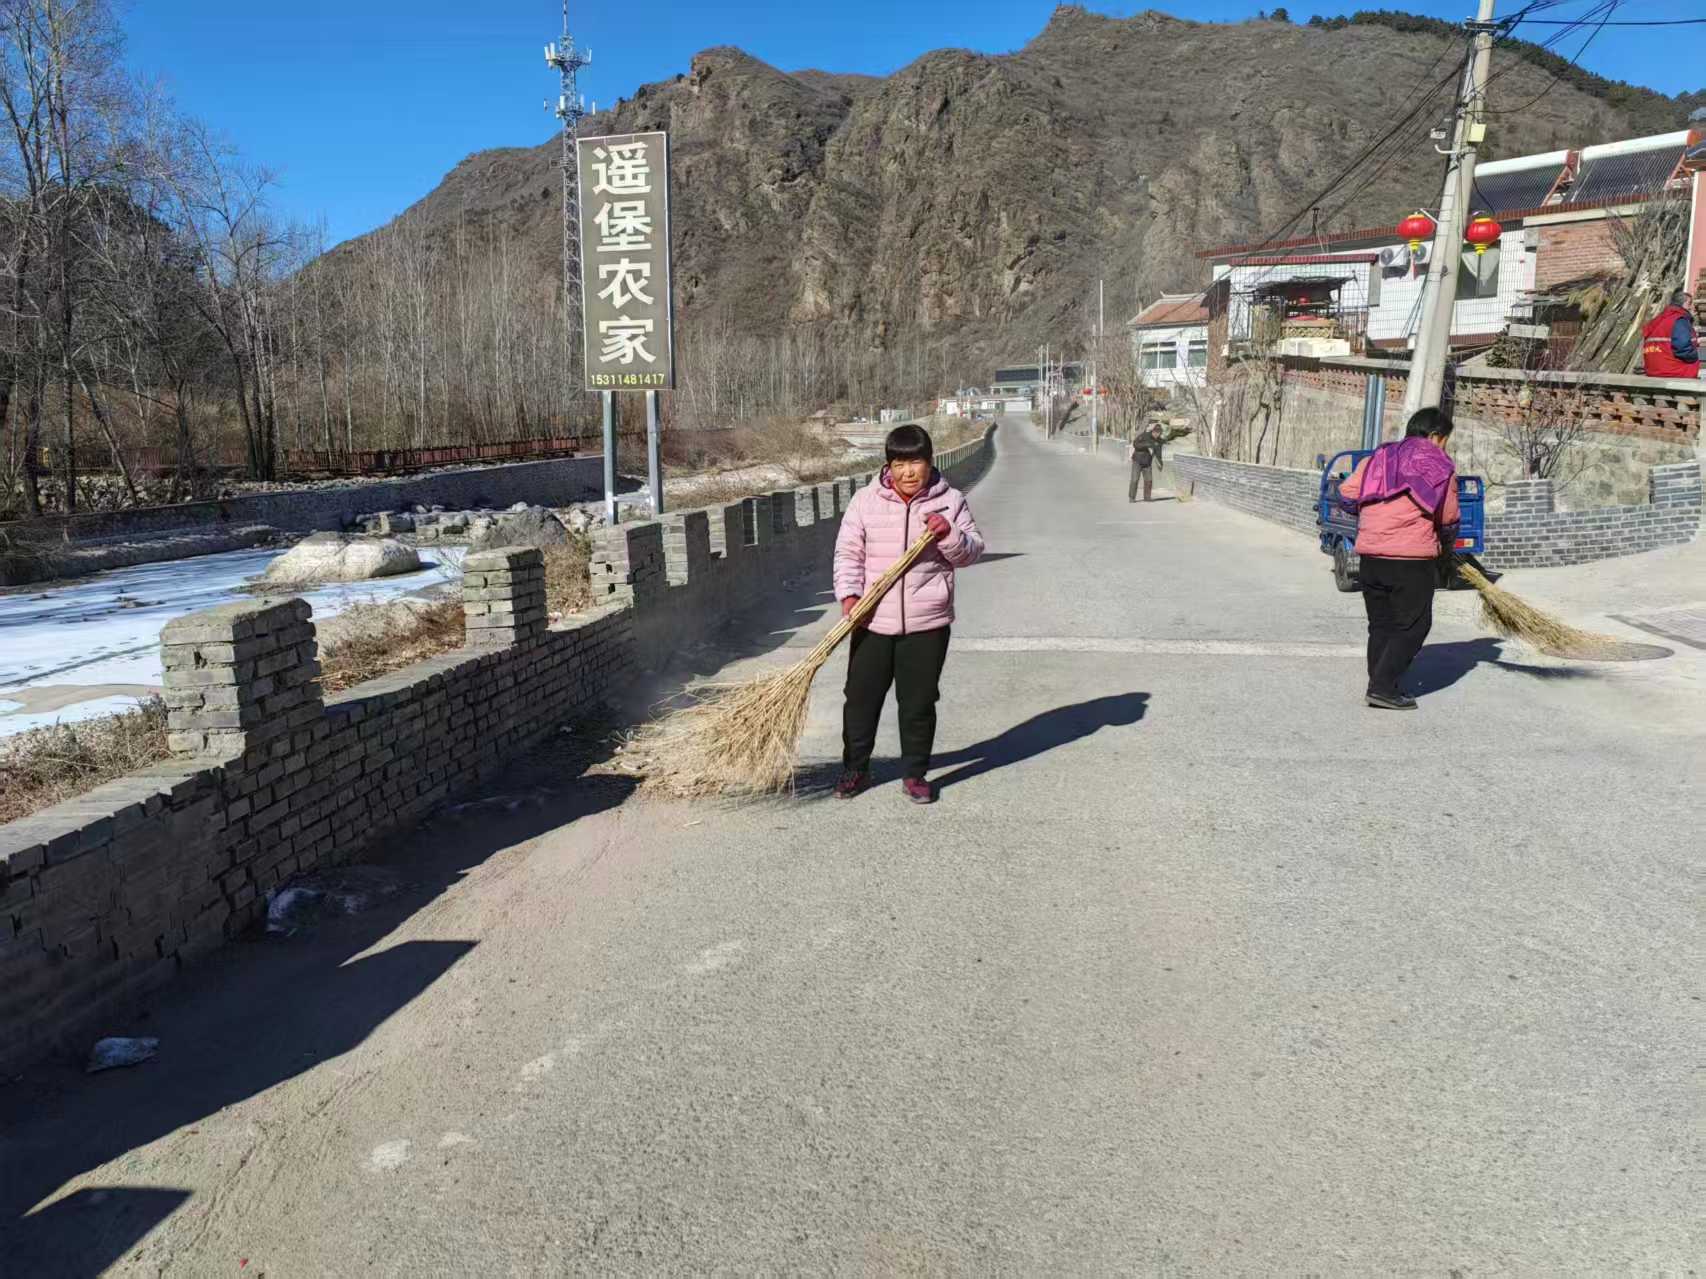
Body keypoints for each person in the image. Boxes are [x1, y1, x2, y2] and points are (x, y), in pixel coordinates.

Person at [832, 423, 985, 803]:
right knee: (860, 700)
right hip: (872, 620)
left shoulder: (951, 501)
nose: (907, 472)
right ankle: (855, 769)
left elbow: (971, 552)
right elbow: (848, 552)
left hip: (927, 623)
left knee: (918, 703)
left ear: (929, 462)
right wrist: (850, 596)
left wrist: (948, 534)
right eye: (899, 464)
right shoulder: (865, 501)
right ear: (888, 466)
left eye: (915, 462)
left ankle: (915, 774)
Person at [1337, 407, 1460, 711]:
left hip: (1370, 556)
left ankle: (1380, 682)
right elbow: (1448, 517)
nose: (1444, 447)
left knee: (1381, 623)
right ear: (1435, 436)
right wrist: (1446, 546)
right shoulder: (1438, 463)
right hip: (1410, 560)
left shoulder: (1377, 458)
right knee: (1414, 625)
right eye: (1445, 440)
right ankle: (1382, 687)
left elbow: (1346, 494)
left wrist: (1370, 515)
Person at [1640, 290, 1700, 380]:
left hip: (1654, 370)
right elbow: (1683, 348)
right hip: (1675, 372)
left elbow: (1665, 342)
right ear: (1684, 304)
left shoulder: (1659, 320)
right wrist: (1695, 357)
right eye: (1690, 304)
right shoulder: (1679, 320)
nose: (1692, 307)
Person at [1128, 423, 1164, 502]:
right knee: (1134, 479)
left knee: (1149, 480)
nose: (1156, 434)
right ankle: (1132, 497)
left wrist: (1160, 464)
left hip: (1147, 462)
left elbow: (1158, 454)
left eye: (1158, 433)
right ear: (1152, 431)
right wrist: (1146, 445)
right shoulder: (1144, 435)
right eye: (1155, 432)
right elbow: (1135, 444)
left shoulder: (1159, 441)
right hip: (1137, 460)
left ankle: (1147, 497)